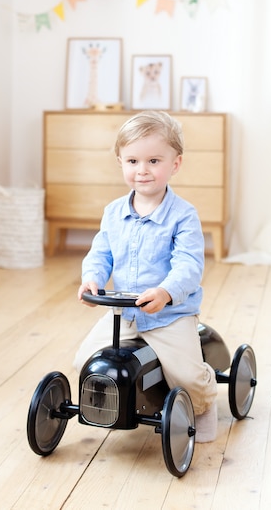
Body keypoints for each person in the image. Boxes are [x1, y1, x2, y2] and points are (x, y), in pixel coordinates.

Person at [73, 110, 218, 442]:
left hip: (169, 314)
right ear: (120, 162)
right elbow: (101, 253)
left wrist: (166, 292)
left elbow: (189, 266)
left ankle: (204, 402)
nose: (143, 170)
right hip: (124, 312)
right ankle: (114, 404)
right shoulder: (113, 213)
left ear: (175, 164)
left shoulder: (183, 216)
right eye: (133, 161)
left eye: (154, 160)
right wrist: (92, 278)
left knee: (187, 374)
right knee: (84, 361)